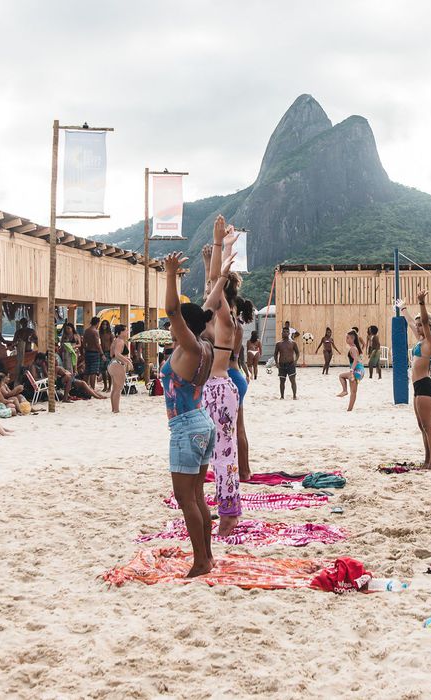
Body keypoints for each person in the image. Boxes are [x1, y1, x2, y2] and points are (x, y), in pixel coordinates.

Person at [162, 250, 217, 578]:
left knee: (186, 498)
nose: (172, 324)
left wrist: (170, 275)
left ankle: (200, 561)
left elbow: (172, 309)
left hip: (186, 427)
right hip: (201, 421)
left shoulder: (191, 347)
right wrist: (214, 263)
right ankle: (206, 557)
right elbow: (209, 306)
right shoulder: (205, 345)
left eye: (177, 322)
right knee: (196, 495)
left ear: (185, 326)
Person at [203, 217, 243, 536]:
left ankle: (229, 514)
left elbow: (215, 282)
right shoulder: (215, 317)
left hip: (220, 388)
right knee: (215, 453)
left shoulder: (226, 321)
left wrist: (220, 246)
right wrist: (217, 251)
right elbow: (212, 282)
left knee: (225, 452)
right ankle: (224, 507)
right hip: (209, 389)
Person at [412, 289, 431, 469]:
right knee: (422, 426)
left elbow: (424, 320)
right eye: (417, 325)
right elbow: (411, 323)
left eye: (420, 325)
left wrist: (421, 303)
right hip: (417, 387)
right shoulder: (420, 341)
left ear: (428, 326)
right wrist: (404, 309)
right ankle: (427, 459)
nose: (418, 327)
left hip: (425, 386)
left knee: (428, 426)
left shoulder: (429, 341)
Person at [230, 296, 255, 482]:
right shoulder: (237, 325)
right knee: (240, 428)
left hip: (232, 375)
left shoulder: (233, 326)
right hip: (235, 375)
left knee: (237, 429)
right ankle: (244, 469)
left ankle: (244, 470)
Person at [107, 324, 134, 413]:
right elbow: (117, 354)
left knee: (115, 389)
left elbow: (112, 355)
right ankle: (116, 409)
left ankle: (113, 409)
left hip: (112, 364)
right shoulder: (120, 341)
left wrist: (126, 358)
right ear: (120, 332)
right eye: (125, 330)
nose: (127, 332)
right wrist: (128, 361)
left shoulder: (115, 340)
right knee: (118, 389)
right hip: (117, 365)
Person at [336, 329, 364, 411]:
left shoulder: (353, 348)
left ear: (352, 339)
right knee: (354, 392)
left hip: (356, 370)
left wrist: (351, 371)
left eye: (347, 338)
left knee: (341, 376)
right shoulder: (356, 347)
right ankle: (349, 409)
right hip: (361, 371)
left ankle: (344, 391)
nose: (346, 339)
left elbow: (355, 360)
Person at [274, 327, 299, 399]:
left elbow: (297, 353)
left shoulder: (293, 343)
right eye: (284, 332)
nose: (285, 333)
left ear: (289, 333)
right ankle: (282, 396)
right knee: (282, 381)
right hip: (282, 365)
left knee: (293, 380)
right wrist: (277, 363)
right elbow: (275, 354)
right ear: (281, 333)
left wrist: (295, 361)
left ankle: (294, 396)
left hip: (291, 364)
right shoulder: (278, 344)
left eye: (286, 332)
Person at [12, 318, 38, 384]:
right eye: (23, 323)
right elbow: (13, 343)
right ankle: (19, 381)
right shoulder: (18, 332)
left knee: (28, 368)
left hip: (29, 352)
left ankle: (27, 381)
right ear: (21, 324)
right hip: (20, 353)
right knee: (20, 368)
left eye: (25, 323)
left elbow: (37, 341)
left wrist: (31, 340)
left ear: (27, 323)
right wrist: (17, 343)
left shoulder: (31, 331)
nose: (24, 324)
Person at [82, 317, 104, 389]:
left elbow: (84, 343)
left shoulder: (86, 331)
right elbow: (97, 344)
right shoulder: (95, 332)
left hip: (88, 352)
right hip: (94, 353)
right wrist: (102, 354)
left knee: (87, 371)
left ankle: (85, 388)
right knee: (93, 372)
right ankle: (92, 388)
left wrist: (85, 350)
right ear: (97, 323)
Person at [99, 319, 114, 392]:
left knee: (109, 371)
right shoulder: (100, 334)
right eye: (103, 324)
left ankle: (109, 387)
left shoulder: (110, 334)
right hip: (102, 353)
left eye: (106, 324)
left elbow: (113, 345)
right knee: (103, 370)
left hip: (108, 353)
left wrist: (112, 354)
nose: (104, 326)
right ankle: (105, 386)